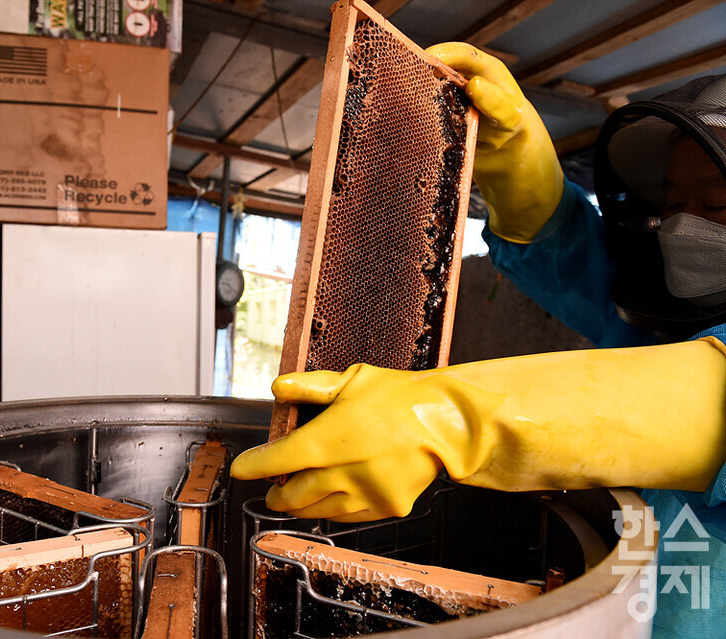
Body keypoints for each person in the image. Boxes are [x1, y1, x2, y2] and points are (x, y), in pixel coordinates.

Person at [231, 43, 726, 638]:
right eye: (672, 203)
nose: (682, 226)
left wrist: (451, 419)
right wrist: (522, 172)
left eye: (715, 204)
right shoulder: (663, 318)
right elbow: (588, 268)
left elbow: (703, 400)